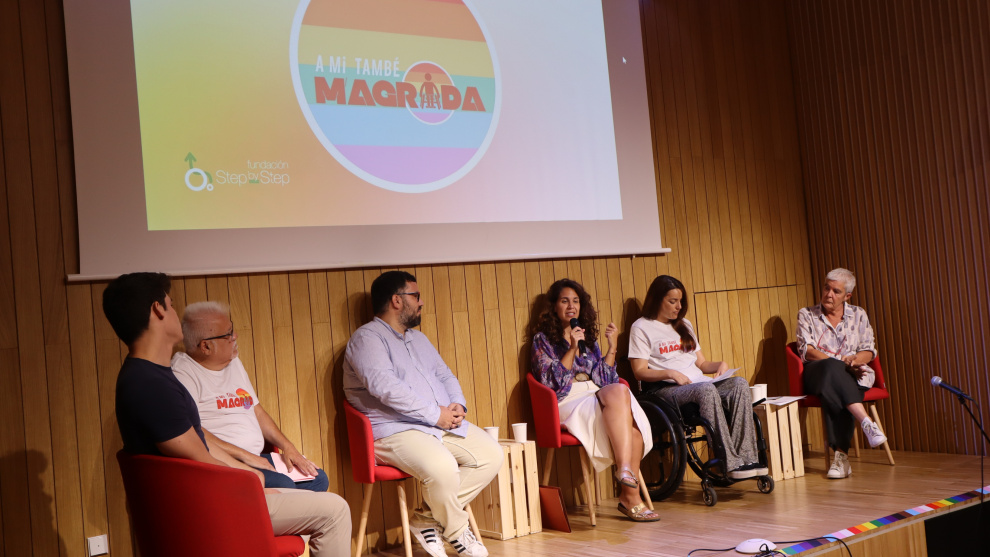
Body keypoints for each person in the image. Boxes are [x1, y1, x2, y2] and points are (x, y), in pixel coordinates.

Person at [103, 273, 350, 556]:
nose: (174, 312)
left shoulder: (149, 376)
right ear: (158, 309)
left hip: (209, 495)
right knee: (335, 511)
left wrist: (251, 474)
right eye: (170, 304)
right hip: (206, 507)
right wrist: (251, 483)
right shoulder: (150, 385)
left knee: (313, 487)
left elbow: (199, 445)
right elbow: (201, 460)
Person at [343, 271, 502, 557]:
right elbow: (386, 389)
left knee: (491, 454)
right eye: (415, 296)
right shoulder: (367, 339)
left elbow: (445, 374)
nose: (421, 302)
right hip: (395, 429)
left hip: (435, 423)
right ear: (397, 300)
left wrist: (457, 404)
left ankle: (426, 520)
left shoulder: (418, 338)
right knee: (443, 467)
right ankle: (457, 532)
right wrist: (434, 414)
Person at [531, 279, 659, 522]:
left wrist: (612, 348)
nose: (571, 306)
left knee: (628, 412)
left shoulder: (587, 338)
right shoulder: (542, 340)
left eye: (576, 301)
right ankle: (630, 494)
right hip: (566, 398)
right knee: (625, 412)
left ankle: (626, 481)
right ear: (554, 306)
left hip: (593, 392)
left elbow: (605, 379)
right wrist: (571, 348)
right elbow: (551, 383)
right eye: (565, 301)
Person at [171, 301, 329, 492]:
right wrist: (246, 456)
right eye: (228, 334)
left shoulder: (233, 362)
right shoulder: (183, 372)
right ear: (206, 346)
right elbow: (192, 432)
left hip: (256, 457)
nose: (235, 336)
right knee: (284, 485)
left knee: (318, 479)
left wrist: (289, 447)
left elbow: (256, 410)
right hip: (222, 463)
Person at [629, 275, 768, 480]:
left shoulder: (684, 324)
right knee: (706, 389)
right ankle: (728, 461)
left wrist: (720, 365)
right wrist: (670, 373)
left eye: (680, 301)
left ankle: (747, 458)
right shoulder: (641, 327)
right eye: (673, 301)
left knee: (739, 383)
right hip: (666, 389)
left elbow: (702, 364)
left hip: (698, 383)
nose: (679, 306)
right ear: (657, 300)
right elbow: (639, 371)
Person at [796, 268, 887, 479]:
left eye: (836, 291)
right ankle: (866, 422)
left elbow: (869, 350)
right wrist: (839, 363)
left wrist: (855, 360)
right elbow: (807, 350)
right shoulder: (807, 314)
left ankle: (841, 459)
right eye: (826, 288)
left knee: (835, 388)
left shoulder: (859, 314)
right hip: (817, 372)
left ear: (847, 296)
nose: (829, 294)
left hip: (852, 372)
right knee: (832, 369)